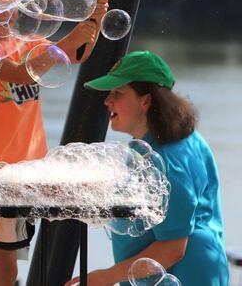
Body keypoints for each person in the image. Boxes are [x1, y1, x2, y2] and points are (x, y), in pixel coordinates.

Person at [0, 0, 109, 285]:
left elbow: (75, 54)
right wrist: (67, 43)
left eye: (8, 4)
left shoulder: (25, 45)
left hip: (27, 171)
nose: (3, 13)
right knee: (4, 262)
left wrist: (93, 22)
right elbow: (18, 72)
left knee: (6, 259)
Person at [65, 51, 228, 286]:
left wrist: (103, 278)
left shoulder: (168, 159)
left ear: (146, 100)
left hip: (186, 276)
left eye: (117, 93)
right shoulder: (156, 144)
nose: (107, 101)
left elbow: (173, 248)